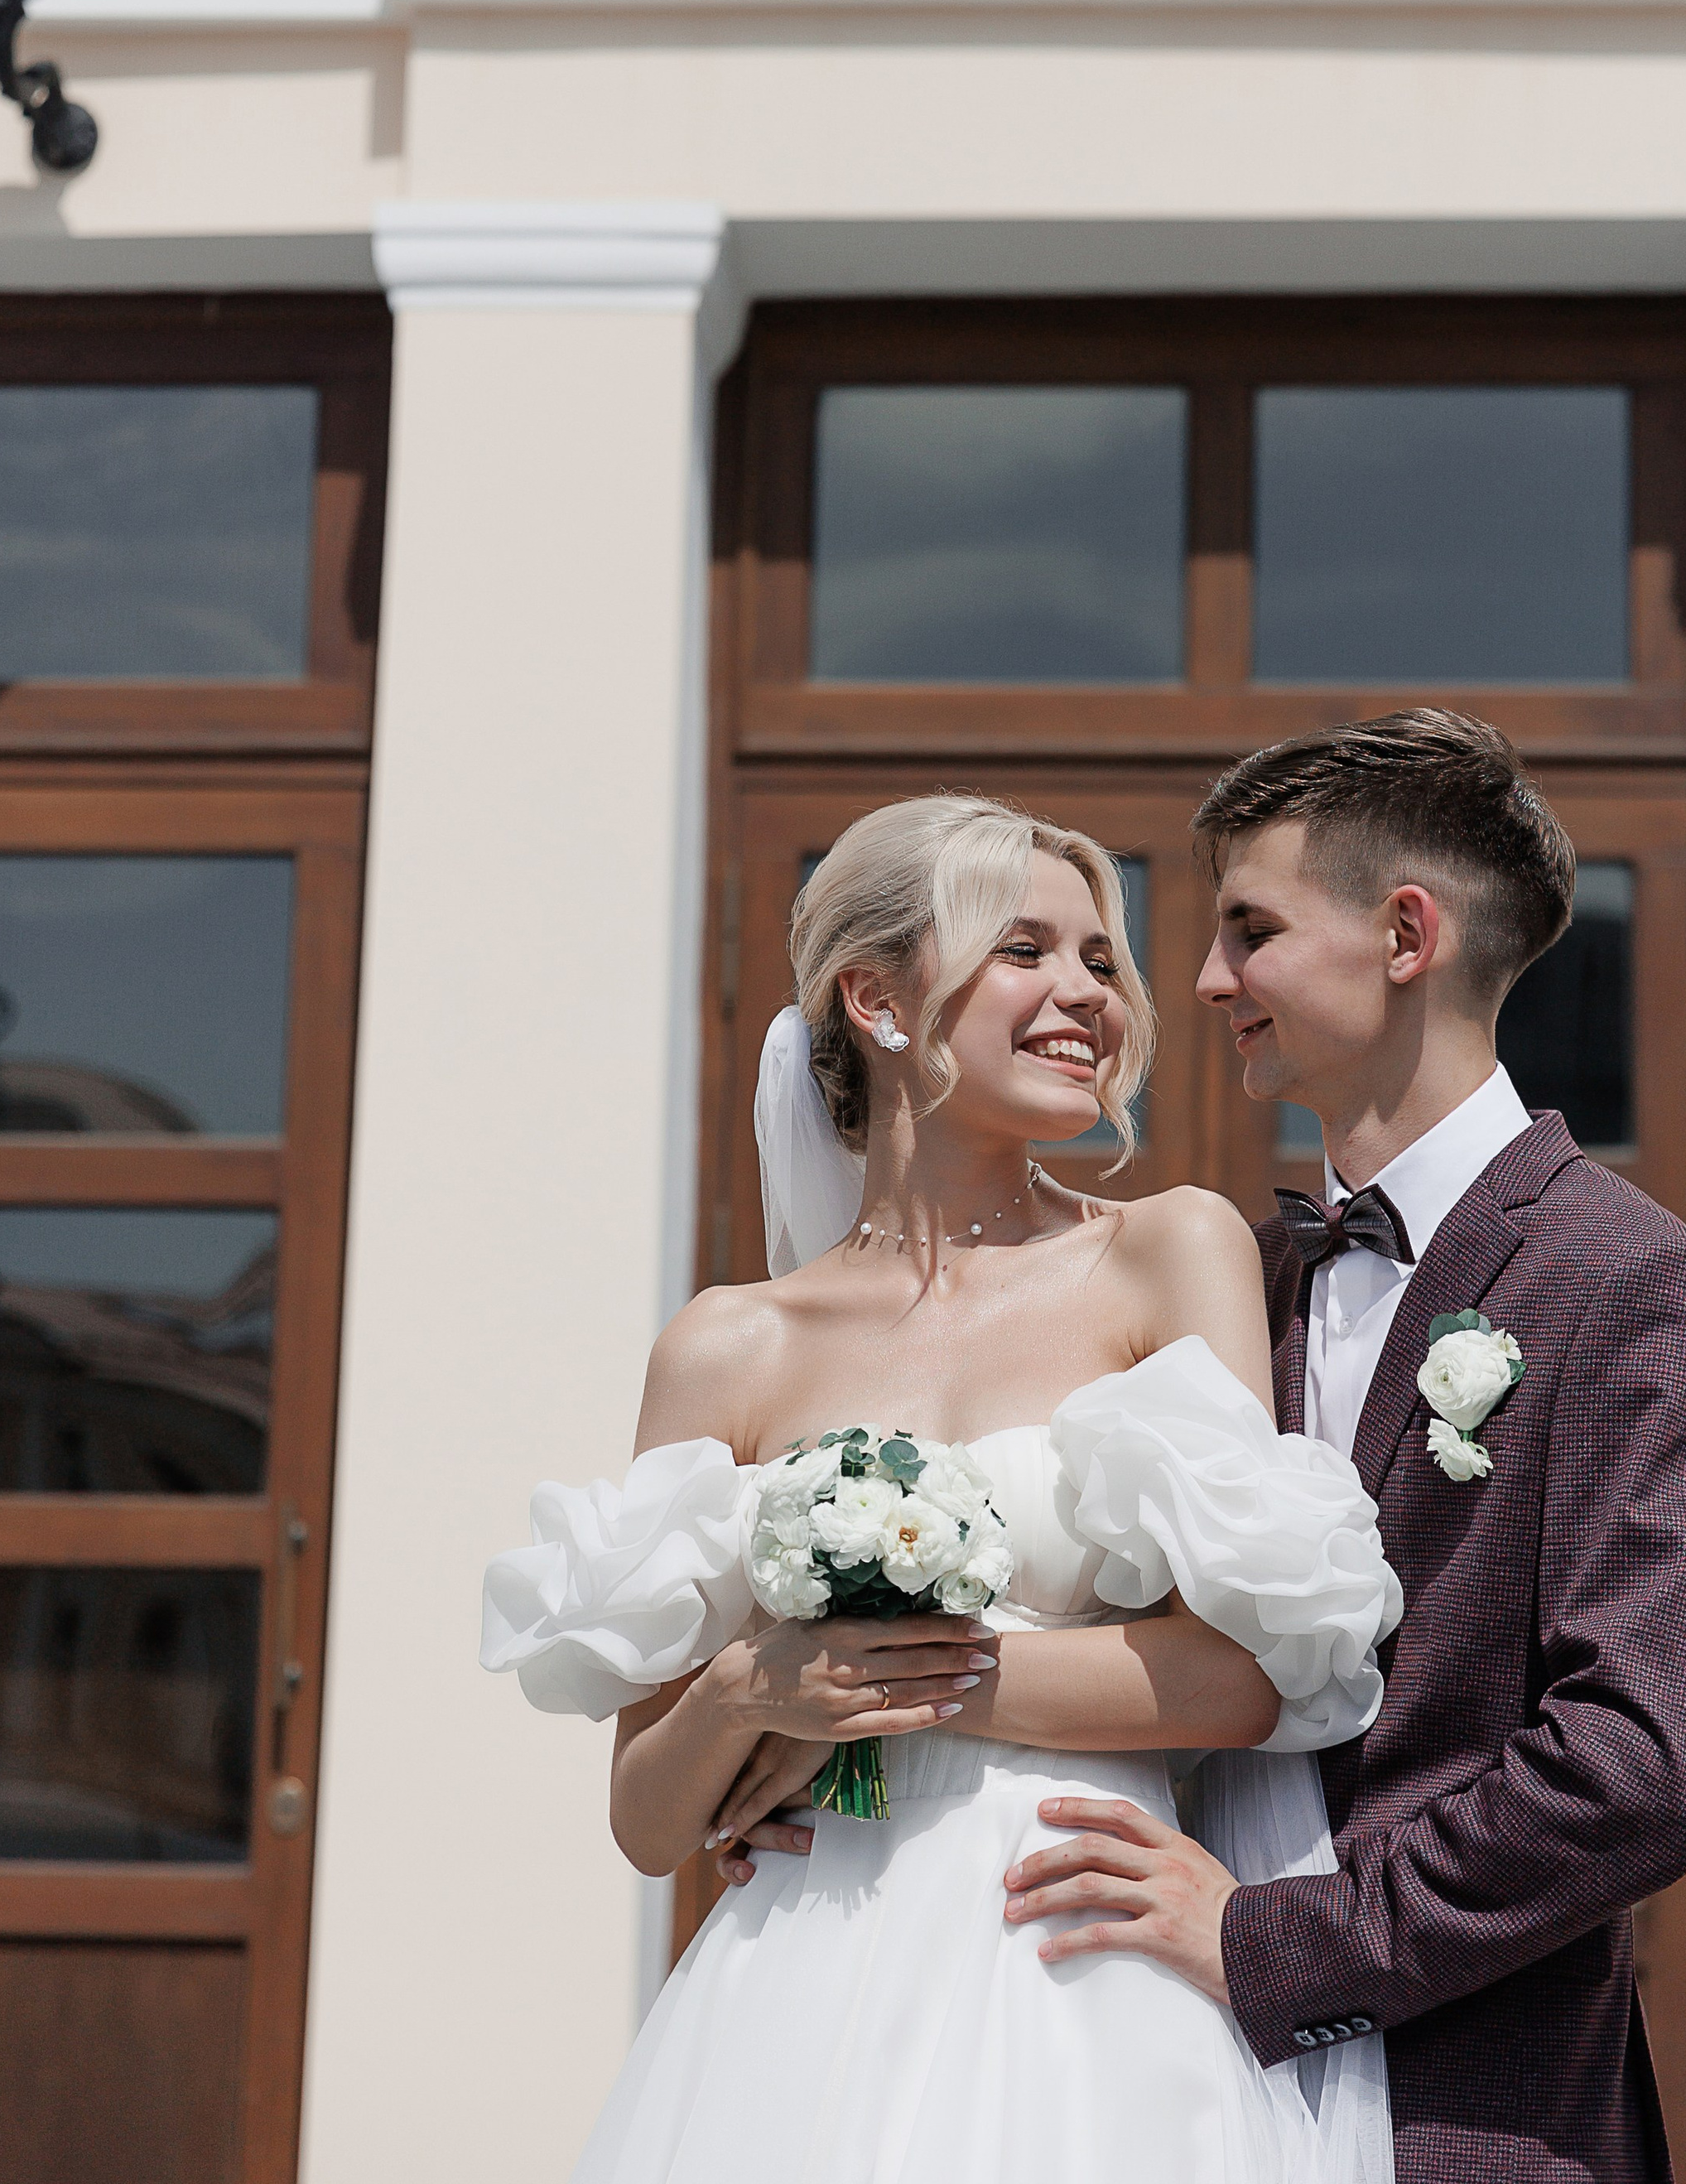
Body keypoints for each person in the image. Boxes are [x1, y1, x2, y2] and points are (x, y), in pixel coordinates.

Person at [482, 792, 1404, 2184]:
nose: (1086, 994)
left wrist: (904, 1683)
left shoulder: (1169, 1252)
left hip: (1081, 1951)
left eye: (1102, 960)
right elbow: (647, 1820)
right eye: (1025, 950)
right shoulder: (729, 1343)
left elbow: (1245, 1681)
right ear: (878, 1000)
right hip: (793, 1980)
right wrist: (749, 1691)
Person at [997, 710, 1686, 2184]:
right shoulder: (1232, 1286)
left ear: (1405, 933)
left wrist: (1274, 1941)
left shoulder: (1631, 1282)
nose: (1207, 979)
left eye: (1250, 928)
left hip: (1464, 2109)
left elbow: (1638, 1766)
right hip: (1150, 2077)